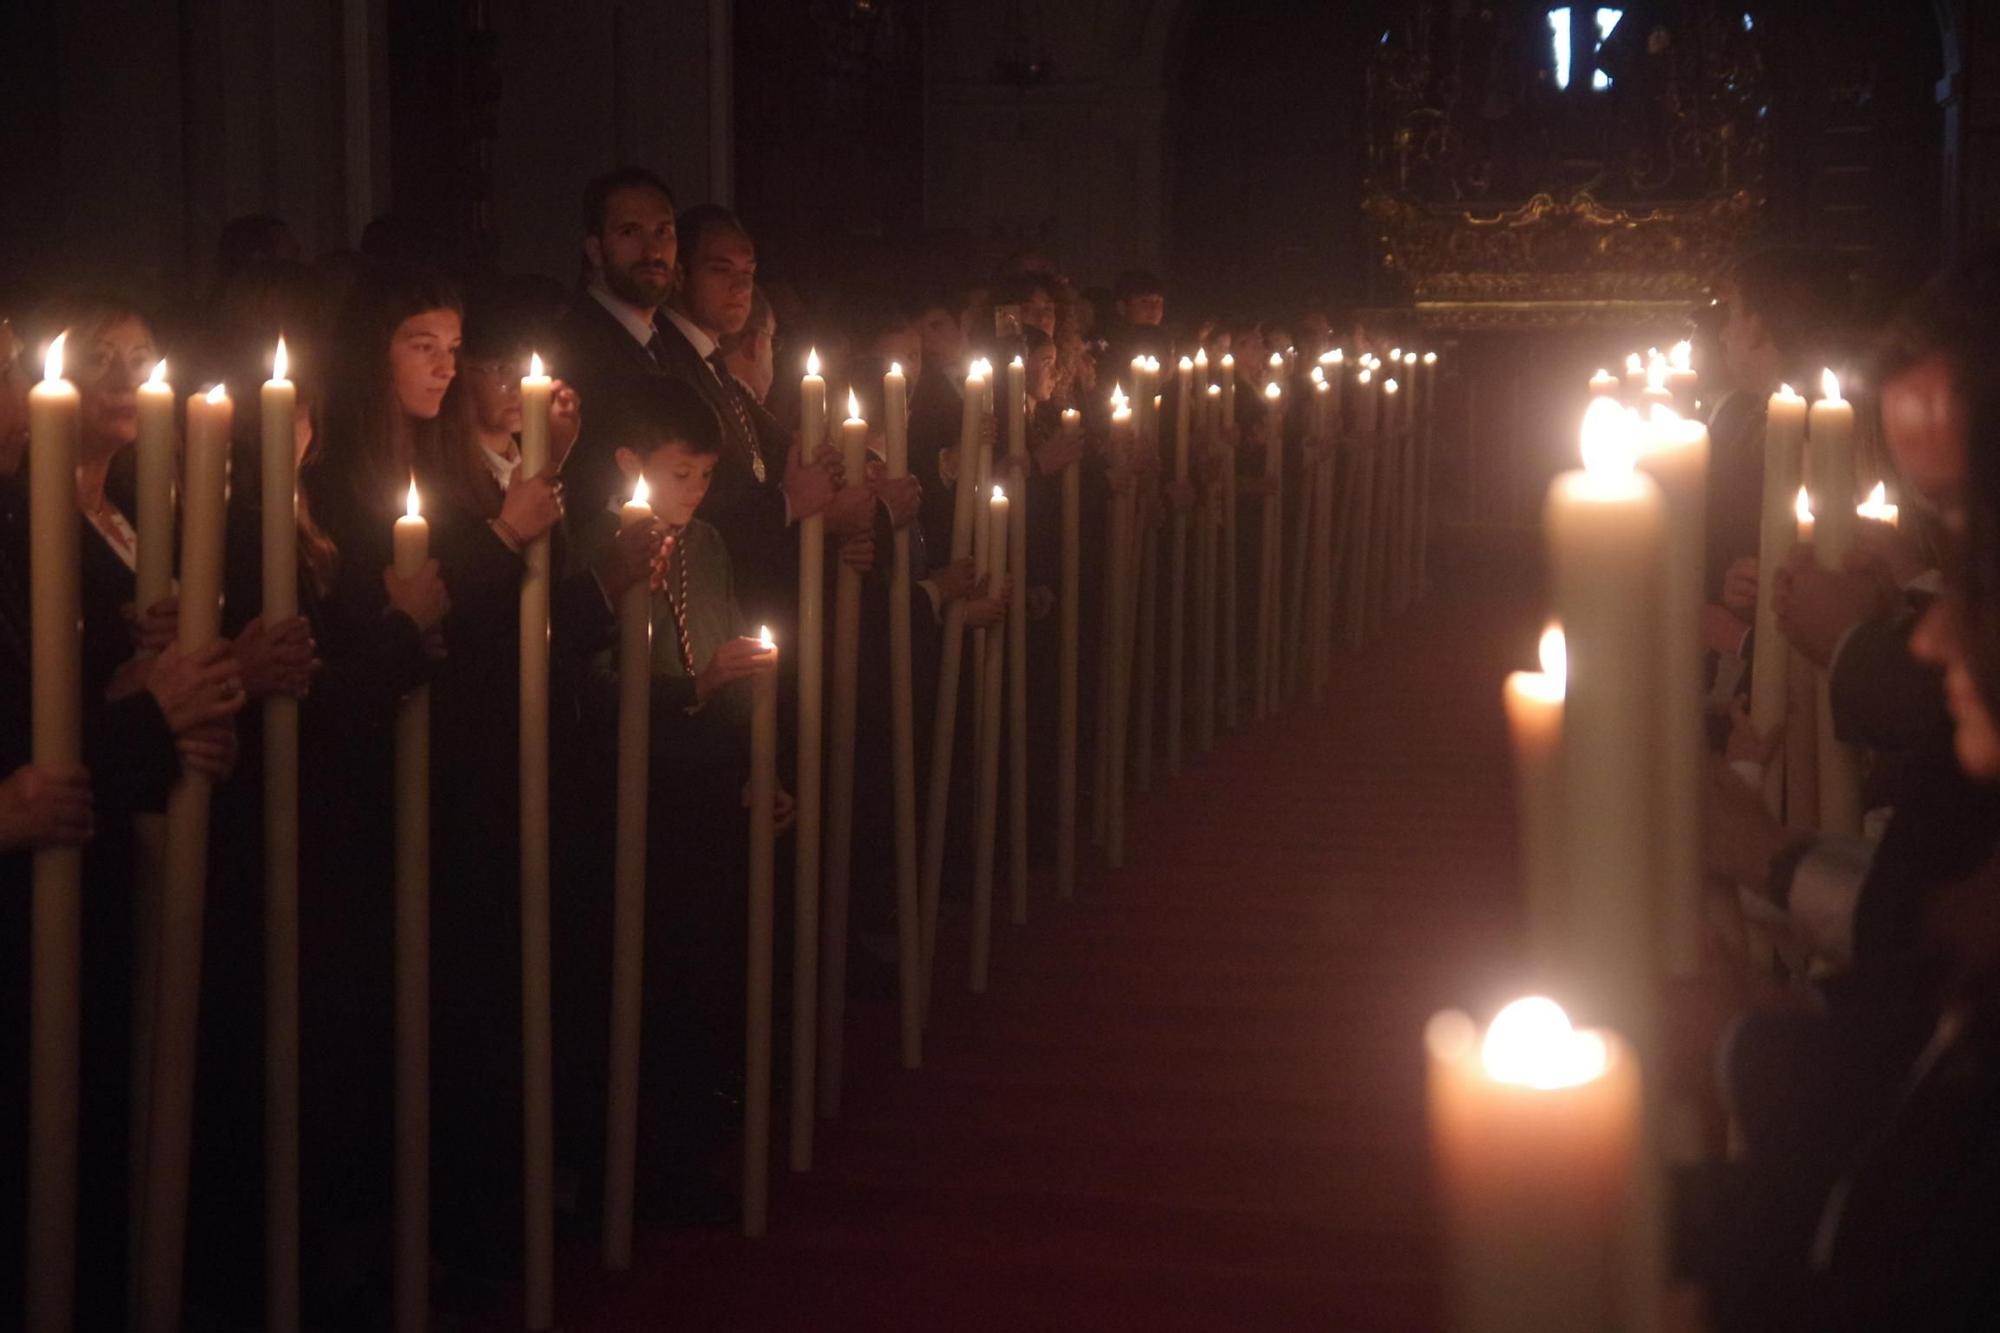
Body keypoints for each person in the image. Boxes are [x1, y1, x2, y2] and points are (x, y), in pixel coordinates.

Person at [566, 375, 786, 1222]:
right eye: (674, 475)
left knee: (702, 967)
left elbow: (728, 647)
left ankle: (690, 1140)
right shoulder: (601, 548)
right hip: (626, 786)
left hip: (701, 778)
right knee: (636, 976)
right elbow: (592, 687)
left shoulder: (708, 546)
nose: (692, 494)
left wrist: (760, 760)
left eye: (703, 477)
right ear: (629, 465)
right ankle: (627, 1163)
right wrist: (695, 684)